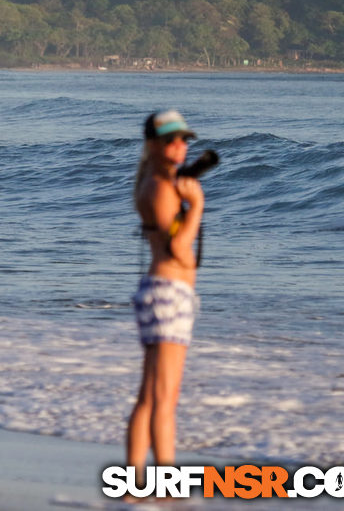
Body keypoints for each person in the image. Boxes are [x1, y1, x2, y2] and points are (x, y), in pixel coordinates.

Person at [126, 109, 204, 479]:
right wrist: (197, 208)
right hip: (168, 292)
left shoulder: (158, 184)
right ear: (153, 145)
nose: (179, 146)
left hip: (166, 293)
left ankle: (135, 482)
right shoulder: (158, 187)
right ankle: (164, 485)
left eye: (183, 139)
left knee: (149, 397)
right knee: (163, 401)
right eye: (170, 140)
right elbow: (179, 251)